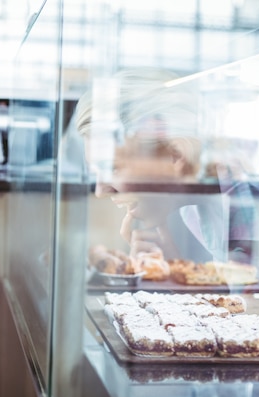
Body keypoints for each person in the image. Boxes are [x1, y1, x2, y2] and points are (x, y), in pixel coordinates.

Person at [72, 68, 229, 263]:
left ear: (175, 156)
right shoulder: (193, 212)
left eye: (113, 168)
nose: (101, 191)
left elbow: (253, 288)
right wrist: (173, 268)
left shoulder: (240, 208)